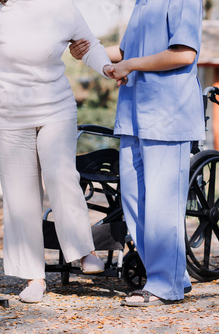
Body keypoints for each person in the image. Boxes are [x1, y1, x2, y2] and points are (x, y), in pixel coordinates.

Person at [0, 0, 113, 303]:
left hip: (56, 108)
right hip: (9, 114)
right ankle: (34, 278)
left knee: (60, 174)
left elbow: (90, 45)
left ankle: (84, 251)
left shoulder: (61, 6)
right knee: (20, 197)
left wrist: (107, 68)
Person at [71, 0, 203, 306]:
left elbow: (184, 54)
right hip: (133, 116)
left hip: (168, 114)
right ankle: (173, 277)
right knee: (133, 201)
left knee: (161, 205)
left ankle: (163, 285)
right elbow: (128, 51)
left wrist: (130, 65)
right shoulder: (142, 3)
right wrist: (91, 50)